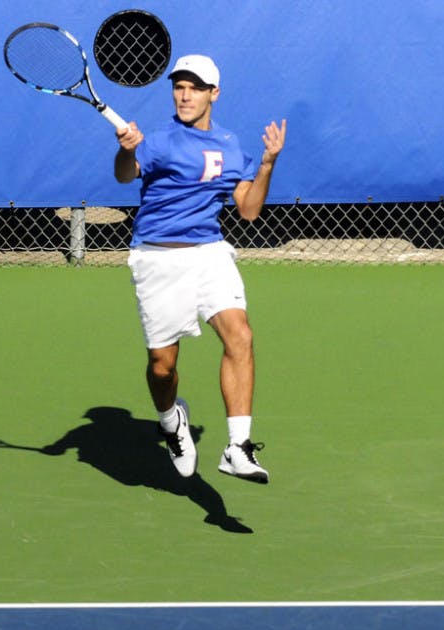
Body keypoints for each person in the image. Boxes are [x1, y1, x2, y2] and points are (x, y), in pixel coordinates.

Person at [113, 54, 286, 483]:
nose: (185, 94)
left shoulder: (229, 144)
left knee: (239, 333)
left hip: (209, 252)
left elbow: (247, 210)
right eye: (179, 86)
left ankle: (238, 448)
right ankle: (172, 421)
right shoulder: (159, 141)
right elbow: (124, 176)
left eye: (195, 87)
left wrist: (266, 165)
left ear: (214, 94)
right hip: (157, 257)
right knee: (161, 366)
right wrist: (125, 149)